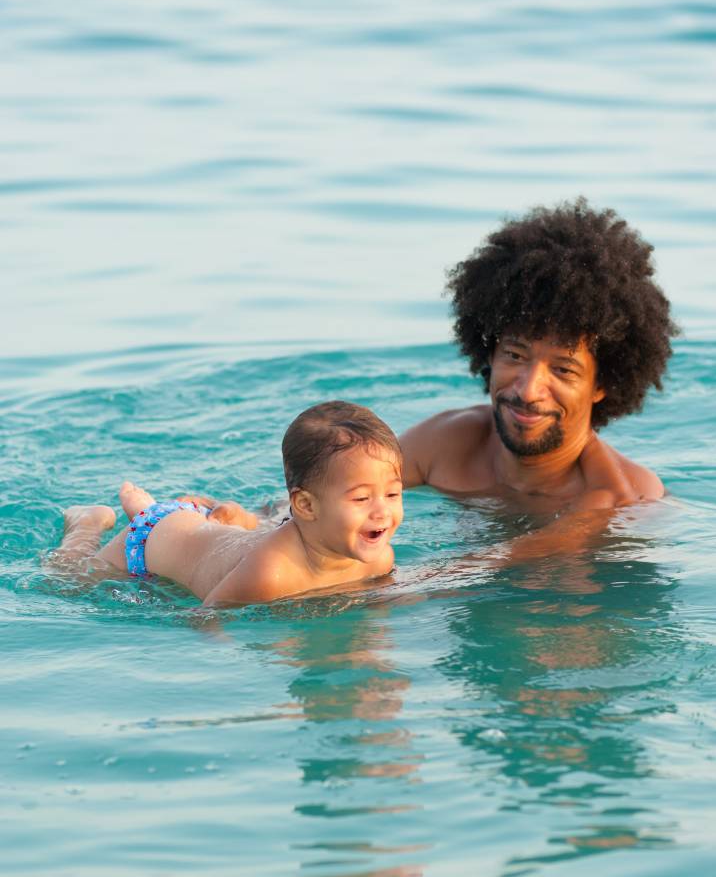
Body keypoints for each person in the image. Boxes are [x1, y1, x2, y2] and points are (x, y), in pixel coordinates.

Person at [399, 198, 679, 564]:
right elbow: (318, 501)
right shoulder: (444, 443)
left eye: (563, 369)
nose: (528, 390)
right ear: (489, 354)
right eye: (515, 356)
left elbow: (493, 567)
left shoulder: (629, 497)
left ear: (602, 384)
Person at [53, 401, 403, 607]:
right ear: (307, 506)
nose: (382, 512)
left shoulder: (380, 559)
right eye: (361, 498)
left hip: (203, 536)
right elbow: (206, 618)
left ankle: (220, 515)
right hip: (150, 539)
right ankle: (87, 522)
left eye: (392, 494)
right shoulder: (270, 573)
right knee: (68, 578)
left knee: (231, 534)